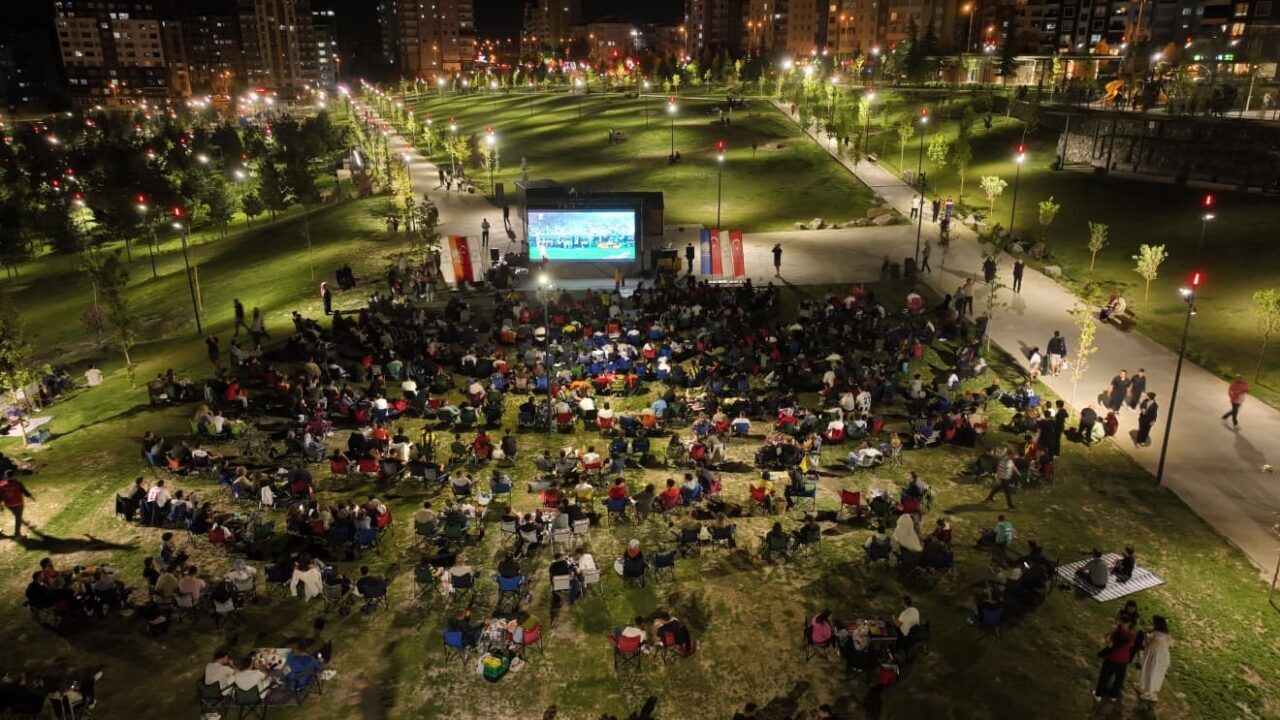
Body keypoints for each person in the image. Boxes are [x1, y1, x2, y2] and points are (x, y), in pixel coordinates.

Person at [1095, 619, 1138, 701]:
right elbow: (1132, 646)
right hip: (1123, 660)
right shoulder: (1131, 636)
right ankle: (1113, 695)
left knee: (1104, 677)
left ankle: (1099, 694)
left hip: (1112, 658)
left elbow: (1109, 643)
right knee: (1118, 679)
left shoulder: (1116, 633)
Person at [1138, 616, 1171, 705]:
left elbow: (1149, 646)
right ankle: (1144, 687)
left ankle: (1150, 693)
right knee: (1149, 672)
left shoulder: (1159, 636)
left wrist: (1145, 637)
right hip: (1159, 657)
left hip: (1156, 658)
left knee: (1152, 674)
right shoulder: (1164, 633)